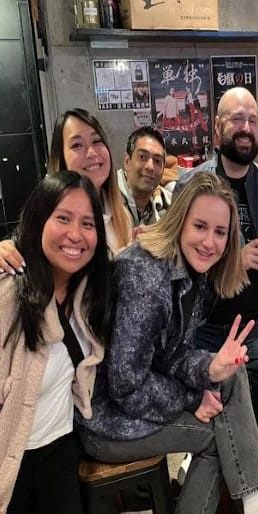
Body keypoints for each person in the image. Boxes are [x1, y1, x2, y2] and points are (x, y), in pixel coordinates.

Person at [76, 172, 258, 514]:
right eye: (200, 226)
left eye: (220, 232)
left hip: (134, 396)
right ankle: (257, 504)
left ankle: (257, 503)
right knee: (216, 437)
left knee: (231, 372)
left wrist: (209, 369)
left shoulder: (194, 271)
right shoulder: (146, 279)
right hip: (106, 420)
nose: (209, 242)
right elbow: (125, 384)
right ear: (179, 221)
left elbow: (171, 353)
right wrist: (192, 396)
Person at [173, 86, 258, 430]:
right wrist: (232, 262)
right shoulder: (191, 187)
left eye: (253, 121)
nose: (246, 128)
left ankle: (221, 445)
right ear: (217, 127)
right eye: (237, 119)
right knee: (191, 385)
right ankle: (233, 450)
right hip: (203, 322)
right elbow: (175, 264)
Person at [0, 171, 111, 514]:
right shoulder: (8, 293)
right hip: (9, 462)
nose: (75, 235)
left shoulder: (89, 294)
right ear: (39, 219)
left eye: (88, 224)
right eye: (63, 218)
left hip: (62, 452)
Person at [0, 108, 131, 273]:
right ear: (61, 157)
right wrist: (6, 250)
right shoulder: (45, 218)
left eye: (97, 141)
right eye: (77, 145)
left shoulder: (121, 216)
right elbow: (18, 249)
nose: (91, 153)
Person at [117, 126, 171, 227]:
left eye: (157, 161)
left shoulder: (167, 207)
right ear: (127, 161)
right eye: (142, 157)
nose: (150, 167)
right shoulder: (105, 201)